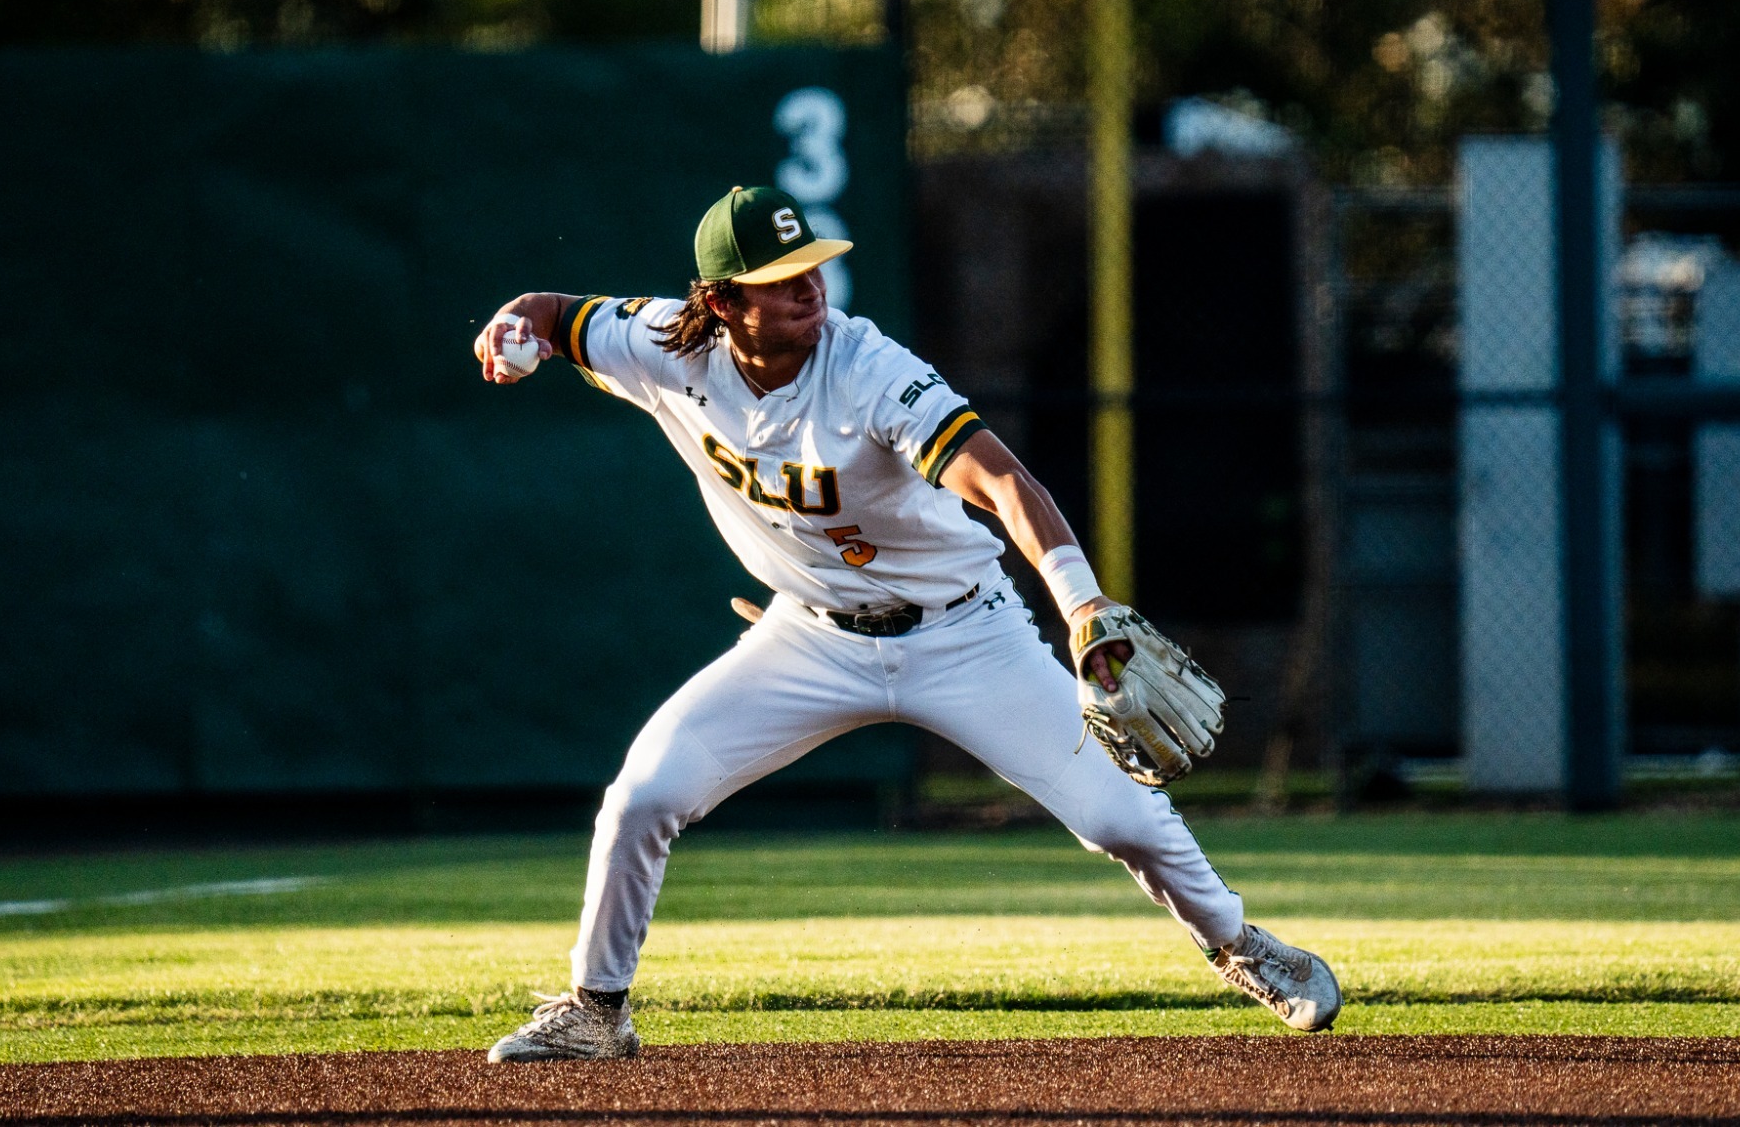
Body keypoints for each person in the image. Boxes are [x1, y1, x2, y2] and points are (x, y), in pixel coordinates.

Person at [471, 185, 1340, 1061]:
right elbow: (549, 313)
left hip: (966, 633)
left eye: (812, 264)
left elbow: (1003, 482)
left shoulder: (866, 366)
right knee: (642, 797)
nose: (810, 285)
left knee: (1123, 822)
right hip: (807, 636)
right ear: (722, 300)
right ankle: (596, 1007)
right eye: (781, 277)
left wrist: (1081, 602)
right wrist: (512, 334)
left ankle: (1242, 944)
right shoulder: (663, 342)